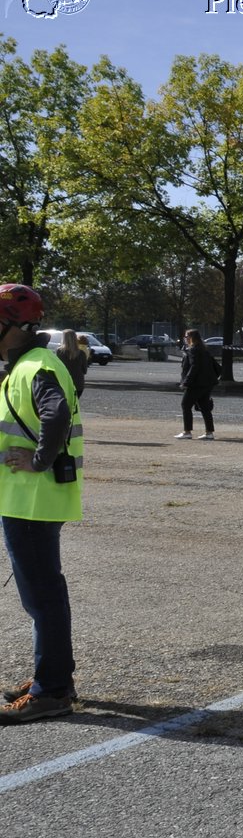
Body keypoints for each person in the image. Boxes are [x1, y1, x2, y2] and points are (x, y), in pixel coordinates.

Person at [0, 285, 85, 725]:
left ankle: (51, 690)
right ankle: (51, 680)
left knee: (43, 597)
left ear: (15, 326)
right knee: (43, 595)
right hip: (26, 501)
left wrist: (37, 461)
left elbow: (56, 414)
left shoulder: (35, 365)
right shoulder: (25, 364)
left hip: (33, 501)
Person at [175, 329, 219, 441]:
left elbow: (194, 367)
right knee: (205, 407)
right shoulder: (204, 350)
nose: (185, 338)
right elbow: (217, 366)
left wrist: (186, 382)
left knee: (185, 405)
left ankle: (187, 431)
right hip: (207, 383)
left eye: (186, 336)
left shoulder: (193, 350)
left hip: (196, 384)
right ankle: (209, 433)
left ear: (191, 338)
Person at [55, 329, 88, 399]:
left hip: (63, 383)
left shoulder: (59, 352)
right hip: (78, 384)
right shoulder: (81, 353)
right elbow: (85, 370)